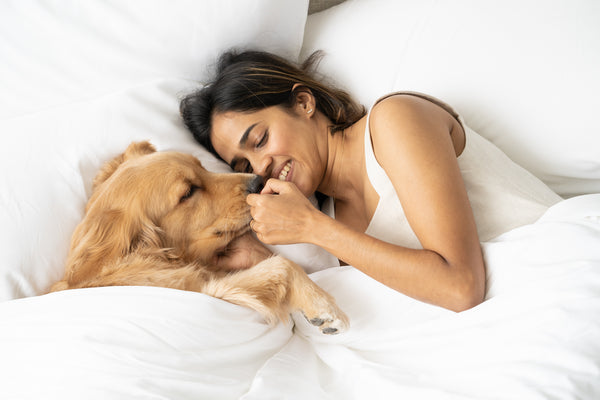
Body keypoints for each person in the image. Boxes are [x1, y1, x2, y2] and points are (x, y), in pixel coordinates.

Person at [180, 50, 561, 312]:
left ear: (303, 103)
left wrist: (313, 228)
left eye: (260, 139)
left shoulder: (394, 120)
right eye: (242, 163)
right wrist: (267, 263)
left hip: (554, 269)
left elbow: (461, 287)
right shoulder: (330, 217)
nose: (260, 166)